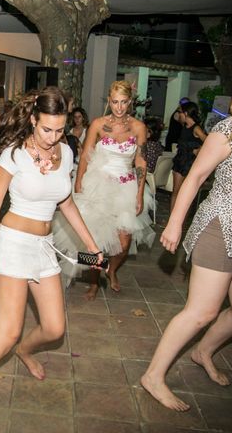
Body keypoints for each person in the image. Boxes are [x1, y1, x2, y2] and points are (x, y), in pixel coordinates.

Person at [0, 88, 104, 424]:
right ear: (34, 119)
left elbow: (65, 202)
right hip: (13, 244)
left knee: (54, 328)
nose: (53, 137)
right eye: (46, 129)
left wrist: (92, 245)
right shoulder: (14, 154)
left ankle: (25, 351)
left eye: (60, 129)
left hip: (44, 246)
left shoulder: (65, 153)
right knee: (8, 331)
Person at [141, 63, 232, 412]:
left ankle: (203, 351)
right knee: (202, 311)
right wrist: (174, 223)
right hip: (221, 228)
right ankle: (153, 376)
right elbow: (194, 178)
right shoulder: (231, 130)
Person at [53, 80, 155, 300]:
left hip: (126, 187)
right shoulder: (98, 124)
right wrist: (79, 182)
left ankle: (111, 270)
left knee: (124, 244)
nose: (119, 107)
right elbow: (85, 157)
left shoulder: (138, 128)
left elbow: (141, 162)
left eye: (124, 102)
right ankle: (93, 283)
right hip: (97, 185)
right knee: (94, 241)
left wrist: (138, 194)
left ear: (130, 102)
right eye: (115, 102)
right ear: (109, 101)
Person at [170, 101, 207, 211]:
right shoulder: (185, 126)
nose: (178, 114)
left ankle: (178, 218)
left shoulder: (196, 128)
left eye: (180, 112)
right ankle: (172, 218)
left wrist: (198, 150)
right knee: (176, 191)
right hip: (181, 161)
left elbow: (208, 141)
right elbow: (176, 117)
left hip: (189, 163)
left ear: (185, 113)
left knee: (183, 193)